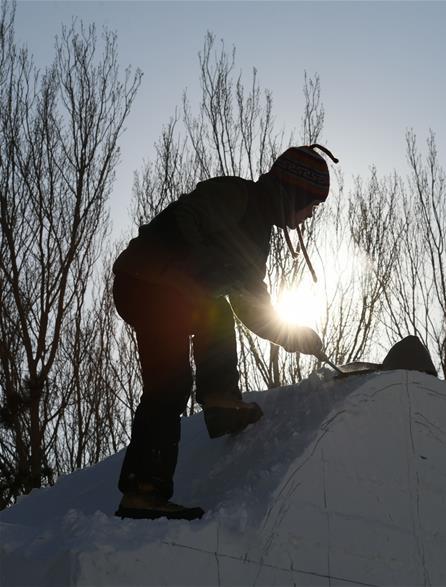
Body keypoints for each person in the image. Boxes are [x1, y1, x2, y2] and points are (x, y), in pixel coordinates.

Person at [111, 144, 338, 520]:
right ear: (293, 192)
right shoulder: (236, 194)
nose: (310, 215)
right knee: (170, 382)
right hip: (148, 281)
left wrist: (300, 338)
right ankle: (143, 492)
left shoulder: (258, 236)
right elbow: (188, 217)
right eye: (310, 205)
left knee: (217, 310)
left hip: (173, 290)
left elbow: (254, 308)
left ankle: (221, 402)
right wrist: (206, 266)